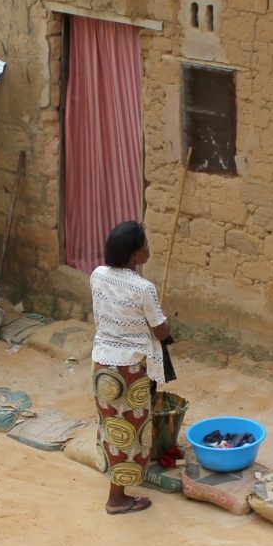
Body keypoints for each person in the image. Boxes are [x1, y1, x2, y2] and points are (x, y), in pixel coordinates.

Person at [89, 220, 171, 515]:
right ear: (134, 255)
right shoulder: (143, 287)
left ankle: (115, 484)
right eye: (145, 245)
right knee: (129, 433)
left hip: (102, 365)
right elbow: (160, 331)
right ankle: (117, 498)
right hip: (129, 370)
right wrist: (168, 321)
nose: (149, 248)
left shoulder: (97, 275)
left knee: (109, 425)